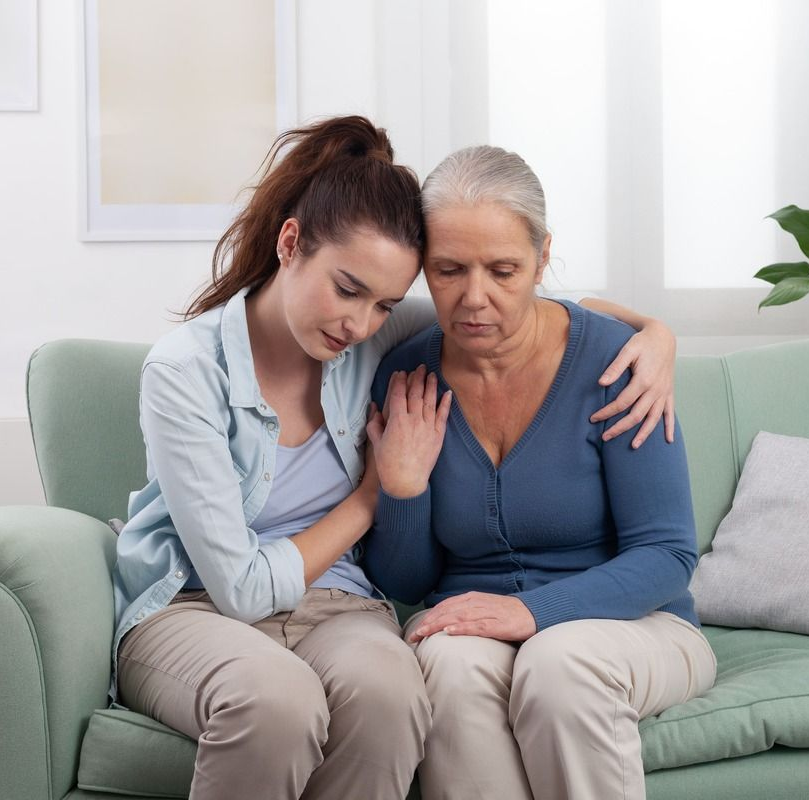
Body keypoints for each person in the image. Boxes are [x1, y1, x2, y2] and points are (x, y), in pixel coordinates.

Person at [112, 116, 681, 800]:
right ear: (289, 243)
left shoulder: (386, 339)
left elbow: (535, 310)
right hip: (204, 601)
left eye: (383, 303)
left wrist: (654, 332)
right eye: (348, 289)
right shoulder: (205, 369)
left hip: (344, 607)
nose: (358, 321)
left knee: (405, 693)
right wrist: (383, 491)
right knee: (310, 697)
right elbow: (256, 588)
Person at [364, 145, 717, 800]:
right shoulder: (405, 376)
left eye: (503, 270)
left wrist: (527, 611)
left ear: (541, 257)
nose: (476, 298)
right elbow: (404, 581)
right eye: (447, 270)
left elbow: (667, 555)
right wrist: (403, 488)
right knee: (443, 663)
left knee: (559, 665)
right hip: (471, 627)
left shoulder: (616, 364)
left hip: (638, 628)